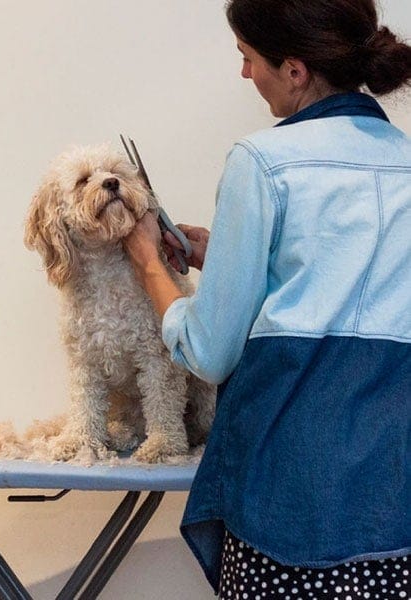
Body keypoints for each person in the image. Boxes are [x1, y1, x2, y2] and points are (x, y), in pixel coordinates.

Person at [122, 1, 411, 598]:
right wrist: (225, 257)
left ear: (296, 69)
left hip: (291, 489)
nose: (245, 75)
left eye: (248, 59)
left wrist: (151, 262)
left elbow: (208, 351)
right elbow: (349, 285)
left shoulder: (264, 162)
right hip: (394, 493)